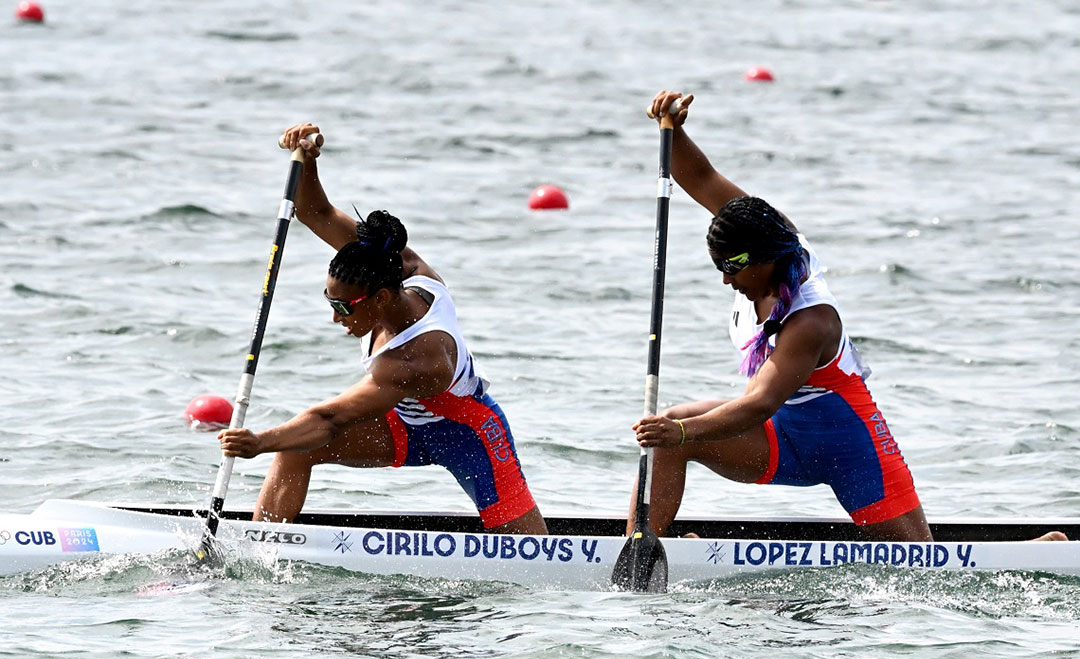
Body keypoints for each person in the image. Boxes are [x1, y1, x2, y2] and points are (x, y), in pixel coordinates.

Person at [629, 91, 933, 542]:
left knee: (924, 567)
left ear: (764, 258)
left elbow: (759, 402)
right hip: (780, 437)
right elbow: (702, 176)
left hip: (849, 444)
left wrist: (680, 430)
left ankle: (1038, 549)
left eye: (732, 268)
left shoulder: (812, 321)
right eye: (719, 268)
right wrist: (673, 129)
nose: (727, 281)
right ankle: (637, 552)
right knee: (666, 442)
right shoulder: (756, 232)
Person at [218, 123, 547, 535]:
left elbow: (329, 419)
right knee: (295, 450)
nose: (336, 317)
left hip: (469, 434)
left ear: (381, 299)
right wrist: (309, 162)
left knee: (531, 555)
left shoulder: (417, 358)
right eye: (330, 301)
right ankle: (261, 548)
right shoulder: (387, 263)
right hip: (404, 425)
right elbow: (315, 213)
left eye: (343, 307)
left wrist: (259, 442)